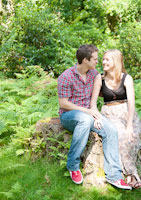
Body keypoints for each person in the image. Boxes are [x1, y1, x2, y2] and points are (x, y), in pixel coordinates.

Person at [57, 44, 131, 190]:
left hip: (89, 114)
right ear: (85, 60)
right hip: (69, 116)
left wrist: (95, 114)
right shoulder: (66, 77)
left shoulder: (93, 74)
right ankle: (73, 165)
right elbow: (63, 103)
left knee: (110, 129)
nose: (98, 62)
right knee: (84, 119)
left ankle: (114, 176)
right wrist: (87, 111)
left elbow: (95, 100)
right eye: (95, 59)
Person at [90, 49, 141, 188]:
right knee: (120, 135)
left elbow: (131, 102)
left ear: (116, 62)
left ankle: (129, 173)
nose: (103, 62)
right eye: (103, 59)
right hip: (109, 113)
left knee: (131, 135)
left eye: (107, 59)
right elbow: (93, 103)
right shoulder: (99, 79)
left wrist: (130, 124)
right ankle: (131, 174)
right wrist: (96, 117)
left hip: (126, 113)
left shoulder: (126, 78)